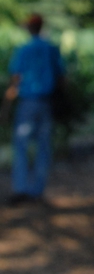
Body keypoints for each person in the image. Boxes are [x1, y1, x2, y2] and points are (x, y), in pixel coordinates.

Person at [4, 13, 64, 204]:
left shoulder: (24, 49)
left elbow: (15, 79)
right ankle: (37, 190)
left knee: (21, 146)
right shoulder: (51, 49)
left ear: (30, 28)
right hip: (46, 103)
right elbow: (62, 78)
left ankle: (21, 189)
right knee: (43, 147)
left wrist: (8, 102)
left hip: (28, 103)